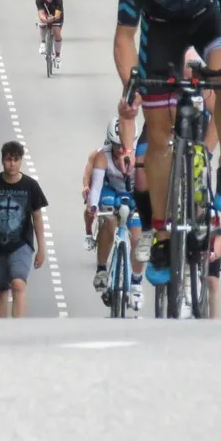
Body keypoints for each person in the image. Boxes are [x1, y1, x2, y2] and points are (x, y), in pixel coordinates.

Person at [113, 0, 221, 285]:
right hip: (160, 32)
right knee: (158, 137)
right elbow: (125, 36)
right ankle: (160, 233)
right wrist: (131, 89)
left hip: (210, 21)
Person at [0, 141, 49, 318]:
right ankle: (2, 330)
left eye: (15, 160)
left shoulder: (30, 186)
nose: (12, 164)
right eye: (8, 159)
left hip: (21, 244)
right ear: (2, 160)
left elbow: (37, 217)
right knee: (0, 290)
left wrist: (42, 248)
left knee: (18, 283)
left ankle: (17, 328)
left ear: (21, 161)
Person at [86, 117, 143, 312]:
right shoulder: (103, 156)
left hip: (134, 193)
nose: (120, 150)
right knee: (108, 221)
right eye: (116, 145)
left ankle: (136, 282)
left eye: (124, 145)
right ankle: (102, 269)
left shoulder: (140, 155)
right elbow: (96, 187)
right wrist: (93, 207)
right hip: (111, 192)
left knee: (137, 237)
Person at [36, 0, 64, 72]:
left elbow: (58, 14)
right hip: (45, 12)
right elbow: (41, 13)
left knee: (56, 31)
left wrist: (53, 18)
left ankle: (58, 56)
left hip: (56, 13)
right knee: (42, 23)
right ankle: (43, 42)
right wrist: (45, 19)